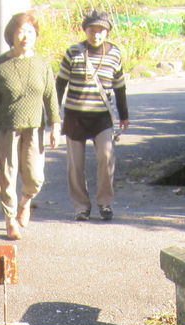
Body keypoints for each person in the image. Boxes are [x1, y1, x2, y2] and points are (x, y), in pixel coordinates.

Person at [0, 12, 61, 240]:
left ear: (35, 35)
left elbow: (50, 96)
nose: (25, 37)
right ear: (12, 35)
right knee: (8, 176)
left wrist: (55, 125)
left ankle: (25, 202)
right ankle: (10, 219)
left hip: (35, 127)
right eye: (20, 32)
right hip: (6, 127)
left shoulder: (42, 64)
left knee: (35, 177)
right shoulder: (1, 65)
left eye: (30, 32)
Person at [56, 10, 129, 221]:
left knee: (106, 156)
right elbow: (60, 84)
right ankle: (81, 206)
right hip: (75, 117)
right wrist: (54, 114)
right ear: (85, 30)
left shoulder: (114, 53)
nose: (96, 35)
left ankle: (105, 203)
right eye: (92, 30)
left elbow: (120, 87)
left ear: (107, 32)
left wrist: (124, 115)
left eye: (100, 30)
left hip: (101, 117)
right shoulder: (74, 52)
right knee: (75, 165)